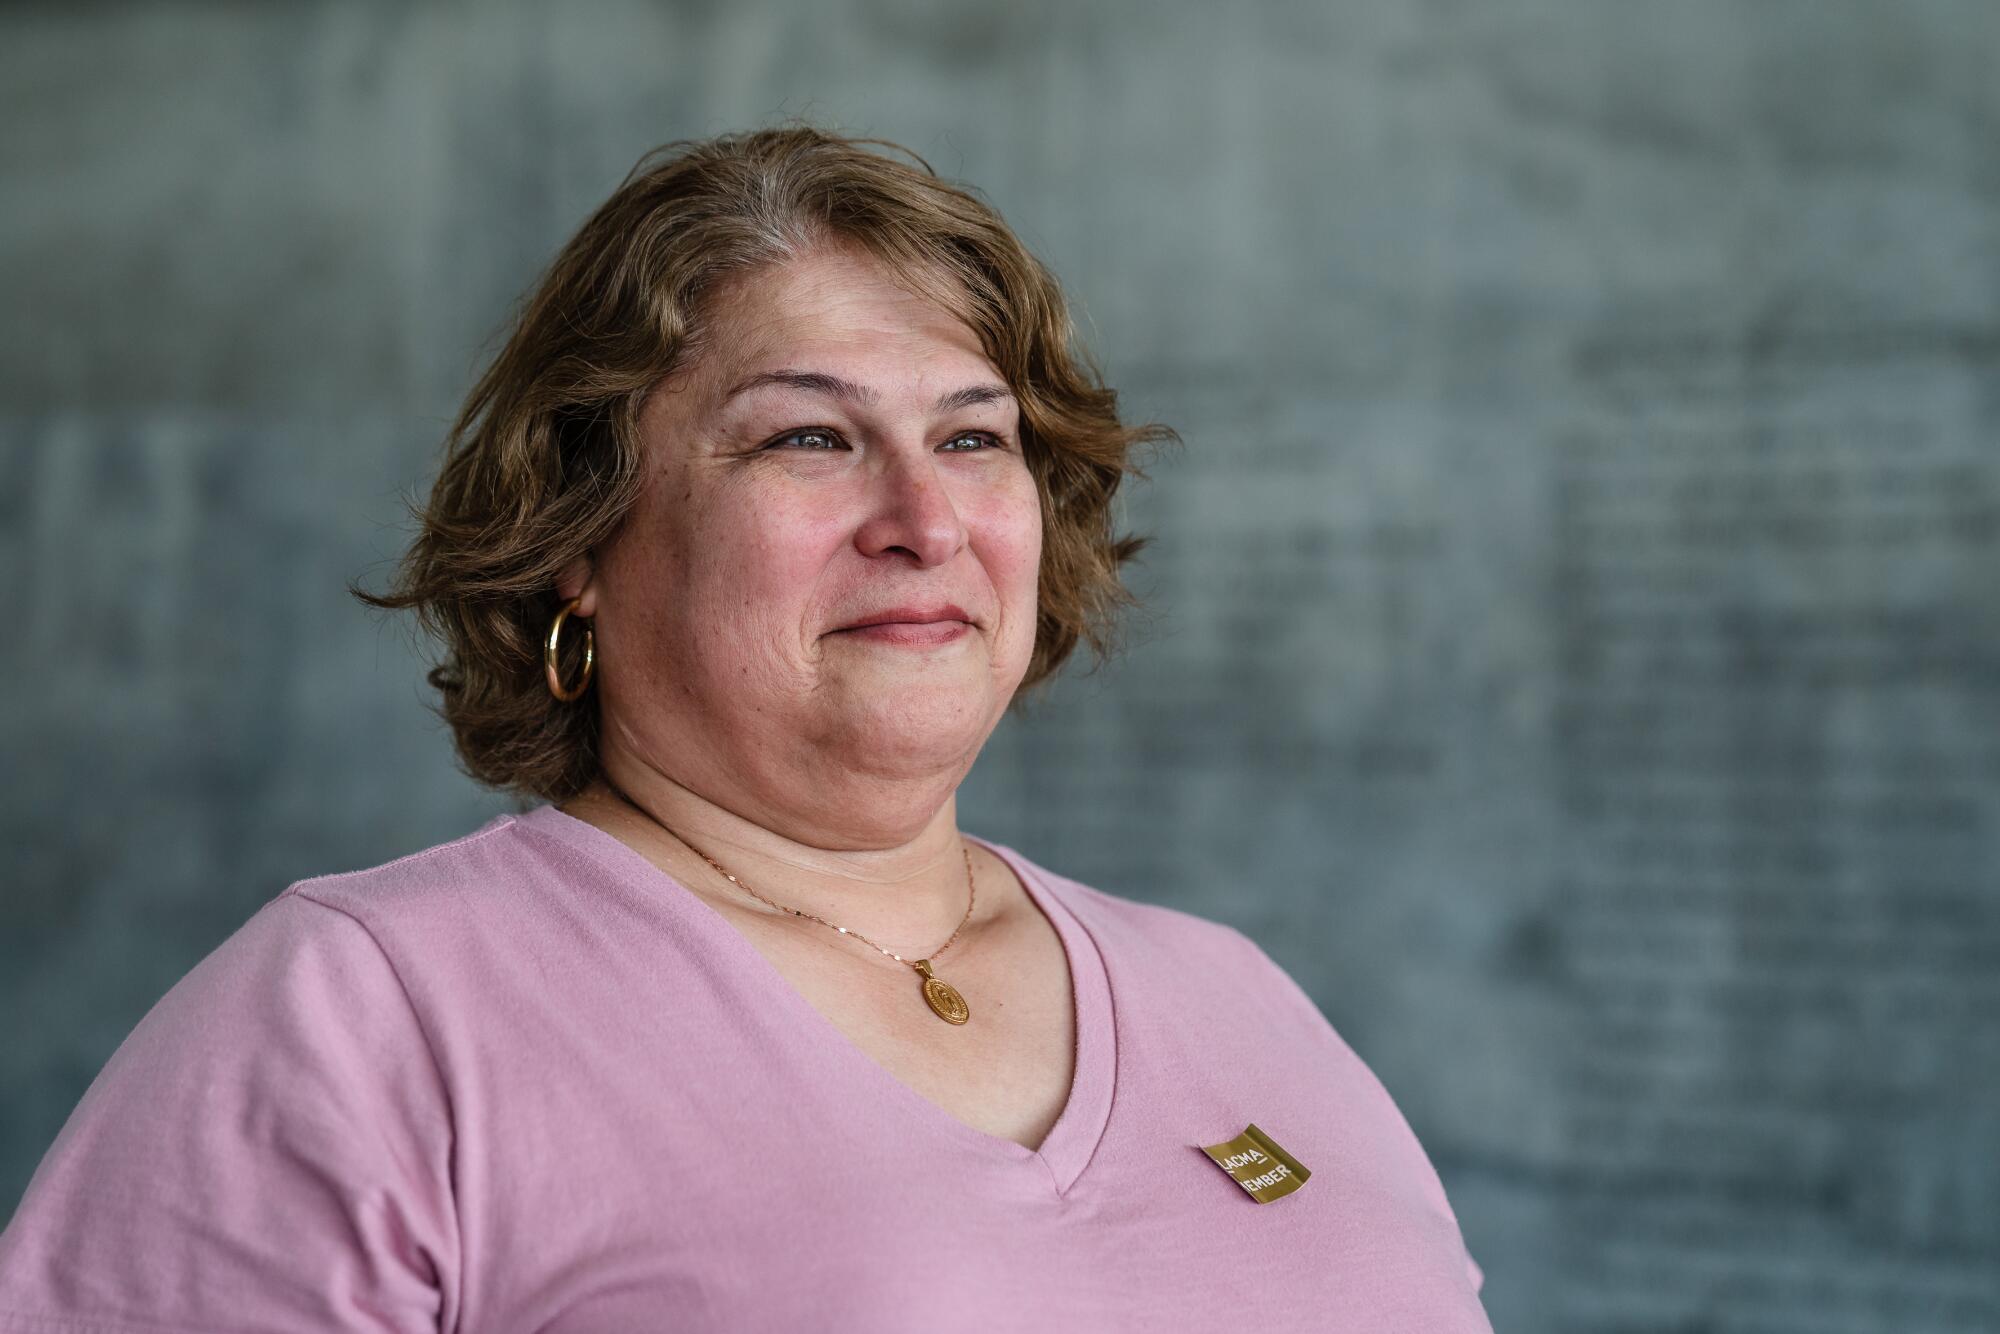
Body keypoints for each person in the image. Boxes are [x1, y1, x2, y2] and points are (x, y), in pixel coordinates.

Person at [0, 126, 1492, 1332]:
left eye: (974, 437)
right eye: (810, 437)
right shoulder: (358, 1018)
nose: (924, 520)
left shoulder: (1231, 993)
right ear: (580, 529)